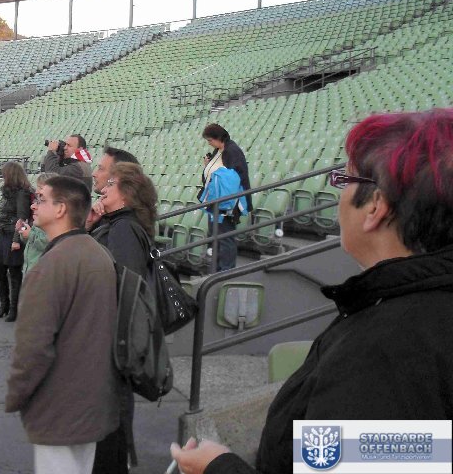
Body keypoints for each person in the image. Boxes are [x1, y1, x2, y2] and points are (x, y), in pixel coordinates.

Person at [171, 108, 453, 474]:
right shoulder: (418, 320)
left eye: (344, 179)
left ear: (375, 207)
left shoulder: (384, 353)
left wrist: (217, 467)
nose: (339, 193)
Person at [6, 175, 120, 474]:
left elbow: (33, 345)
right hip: (93, 398)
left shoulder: (51, 266)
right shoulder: (98, 254)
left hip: (58, 403)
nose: (34, 204)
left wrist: (17, 393)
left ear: (61, 209)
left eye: (41, 199)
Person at [88, 162, 158, 472]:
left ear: (126, 194)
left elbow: (123, 289)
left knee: (110, 430)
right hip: (109, 341)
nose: (103, 188)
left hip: (112, 345)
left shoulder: (124, 229)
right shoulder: (115, 224)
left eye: (111, 183)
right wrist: (90, 227)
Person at [201, 124, 252, 272]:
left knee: (225, 237)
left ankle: (226, 270)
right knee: (215, 236)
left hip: (227, 203)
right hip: (214, 201)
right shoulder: (218, 150)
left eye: (210, 140)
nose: (209, 143)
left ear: (218, 138)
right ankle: (216, 269)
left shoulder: (232, 151)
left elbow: (234, 178)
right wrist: (207, 166)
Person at [0, 161, 32, 322]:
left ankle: (14, 309)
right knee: (0, 271)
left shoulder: (22, 193)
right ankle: (4, 305)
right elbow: (2, 213)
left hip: (13, 236)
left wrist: (16, 240)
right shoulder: (7, 192)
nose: (3, 176)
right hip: (3, 235)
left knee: (14, 274)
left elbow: (22, 217)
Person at [89, 146, 140, 226]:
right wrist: (90, 225)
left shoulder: (125, 225)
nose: (94, 174)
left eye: (101, 169)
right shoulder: (103, 217)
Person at [16, 173, 53, 275]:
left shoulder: (51, 223)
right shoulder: (39, 219)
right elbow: (29, 240)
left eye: (40, 188)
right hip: (29, 272)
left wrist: (30, 235)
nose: (36, 191)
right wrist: (23, 230)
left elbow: (47, 244)